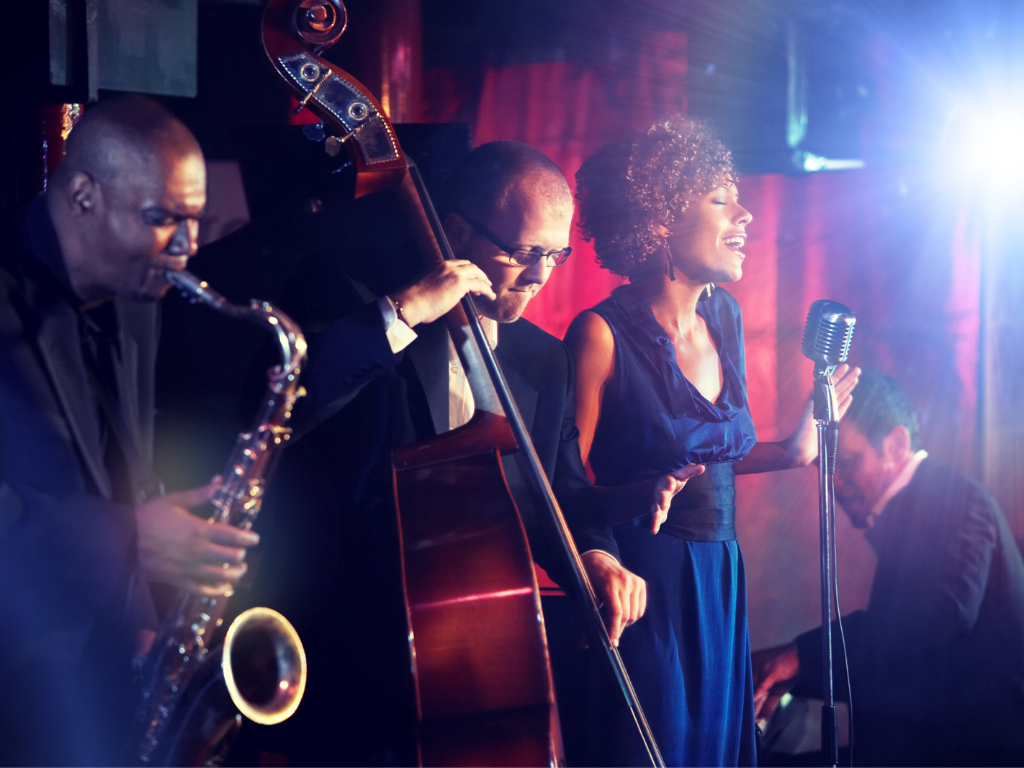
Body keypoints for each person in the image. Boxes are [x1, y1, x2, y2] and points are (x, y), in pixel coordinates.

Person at [248, 140, 697, 766]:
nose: (541, 275)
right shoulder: (345, 291)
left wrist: (594, 555)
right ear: (456, 229)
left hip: (464, 654)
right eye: (523, 252)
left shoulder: (543, 359)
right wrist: (402, 314)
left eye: (556, 255)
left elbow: (559, 488)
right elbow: (284, 407)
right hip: (338, 640)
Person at [565, 116, 859, 767]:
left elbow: (713, 454)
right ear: (662, 216)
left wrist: (794, 447)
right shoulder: (600, 335)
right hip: (648, 583)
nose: (745, 214)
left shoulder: (722, 313)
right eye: (722, 199)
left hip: (720, 579)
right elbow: (562, 489)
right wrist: (637, 497)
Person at [0, 95, 260, 765]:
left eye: (196, 222)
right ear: (83, 194)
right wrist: (131, 539)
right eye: (161, 219)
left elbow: (121, 463)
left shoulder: (139, 296)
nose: (186, 249)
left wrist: (148, 619)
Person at [751, 371, 1024, 767]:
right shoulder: (920, 505)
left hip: (976, 747)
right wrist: (801, 672)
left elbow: (938, 617)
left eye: (846, 462)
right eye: (826, 470)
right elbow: (904, 658)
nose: (836, 483)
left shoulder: (954, 498)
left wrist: (803, 657)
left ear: (896, 444)